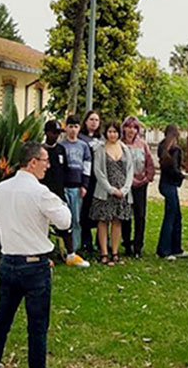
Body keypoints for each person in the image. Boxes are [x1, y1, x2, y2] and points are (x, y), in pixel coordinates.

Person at [0, 142, 71, 368]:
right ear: (32, 162)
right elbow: (65, 221)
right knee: (37, 329)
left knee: (1, 323)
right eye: (44, 160)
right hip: (35, 266)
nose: (48, 165)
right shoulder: (40, 192)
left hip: (9, 262)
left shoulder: (1, 190)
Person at [91, 122, 136, 265]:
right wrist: (110, 189)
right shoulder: (100, 149)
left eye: (115, 132)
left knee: (117, 221)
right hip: (105, 192)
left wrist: (124, 190)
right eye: (110, 132)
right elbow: (98, 171)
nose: (112, 135)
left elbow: (130, 170)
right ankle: (104, 253)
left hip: (122, 192)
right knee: (103, 221)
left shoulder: (125, 148)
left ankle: (115, 252)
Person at [58, 116, 92, 266]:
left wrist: (84, 185)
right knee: (64, 219)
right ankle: (64, 249)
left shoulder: (83, 146)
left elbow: (87, 166)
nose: (73, 130)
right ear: (66, 128)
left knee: (76, 219)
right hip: (64, 185)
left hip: (77, 187)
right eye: (70, 126)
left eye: (76, 126)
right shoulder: (61, 145)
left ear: (79, 128)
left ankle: (75, 248)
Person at [122, 117, 155, 258]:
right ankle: (127, 243)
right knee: (125, 216)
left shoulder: (142, 144)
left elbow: (149, 162)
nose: (131, 130)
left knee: (140, 215)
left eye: (134, 128)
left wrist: (147, 177)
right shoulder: (120, 144)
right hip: (125, 185)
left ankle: (138, 246)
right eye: (128, 127)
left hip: (140, 184)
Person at [155, 124, 187, 259]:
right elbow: (174, 168)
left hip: (164, 183)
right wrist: (181, 176)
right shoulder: (175, 149)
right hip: (170, 184)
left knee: (175, 215)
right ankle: (165, 249)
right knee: (171, 216)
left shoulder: (162, 147)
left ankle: (175, 247)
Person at [77, 110, 101, 255]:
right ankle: (86, 242)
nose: (93, 122)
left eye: (96, 120)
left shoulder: (102, 139)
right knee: (85, 212)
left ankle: (101, 242)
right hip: (85, 180)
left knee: (99, 212)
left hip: (99, 180)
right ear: (85, 121)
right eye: (91, 119)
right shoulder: (80, 139)